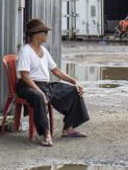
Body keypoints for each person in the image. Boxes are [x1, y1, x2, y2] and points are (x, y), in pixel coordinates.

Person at [16, 19, 90, 147]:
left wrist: (74, 81)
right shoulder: (25, 51)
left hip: (45, 85)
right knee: (39, 96)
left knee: (74, 91)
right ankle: (46, 133)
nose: (47, 35)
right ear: (36, 34)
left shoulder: (44, 51)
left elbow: (56, 70)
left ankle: (68, 128)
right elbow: (25, 77)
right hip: (28, 86)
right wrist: (40, 92)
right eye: (45, 32)